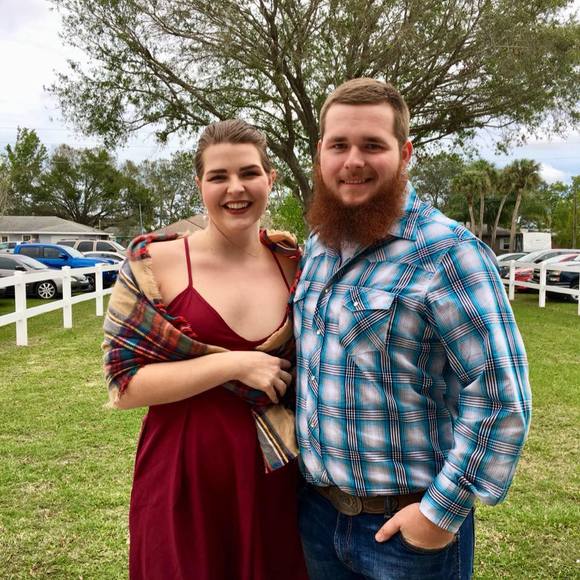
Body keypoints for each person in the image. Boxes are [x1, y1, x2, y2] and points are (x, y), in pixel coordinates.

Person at [294, 78, 532, 580]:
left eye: (372, 145)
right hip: (317, 516)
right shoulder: (317, 248)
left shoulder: (448, 252)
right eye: (338, 145)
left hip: (406, 531)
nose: (353, 161)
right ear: (320, 153)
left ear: (405, 153)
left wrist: (439, 514)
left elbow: (500, 394)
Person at [102, 119, 308, 580]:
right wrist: (233, 364)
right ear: (199, 185)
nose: (235, 188)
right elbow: (125, 384)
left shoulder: (295, 264)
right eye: (218, 176)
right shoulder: (154, 264)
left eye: (249, 173)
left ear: (270, 179)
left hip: (274, 479)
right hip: (183, 473)